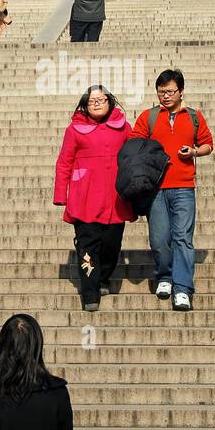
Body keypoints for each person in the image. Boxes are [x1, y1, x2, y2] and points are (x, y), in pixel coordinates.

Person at [129, 69, 213, 312]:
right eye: (161, 91)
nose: (165, 96)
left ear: (181, 92)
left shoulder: (194, 116)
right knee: (159, 239)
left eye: (170, 91)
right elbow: (135, 143)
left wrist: (195, 151)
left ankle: (183, 288)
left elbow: (208, 144)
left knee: (183, 239)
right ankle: (164, 276)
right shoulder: (149, 117)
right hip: (155, 188)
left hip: (184, 186)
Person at [53, 86, 135, 312]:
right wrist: (61, 194)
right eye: (92, 100)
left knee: (111, 246)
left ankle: (103, 277)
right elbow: (64, 163)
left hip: (115, 200)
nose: (97, 103)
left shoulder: (124, 128)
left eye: (101, 99)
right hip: (85, 197)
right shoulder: (74, 130)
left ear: (110, 101)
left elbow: (135, 156)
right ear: (84, 105)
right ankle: (90, 293)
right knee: (87, 247)